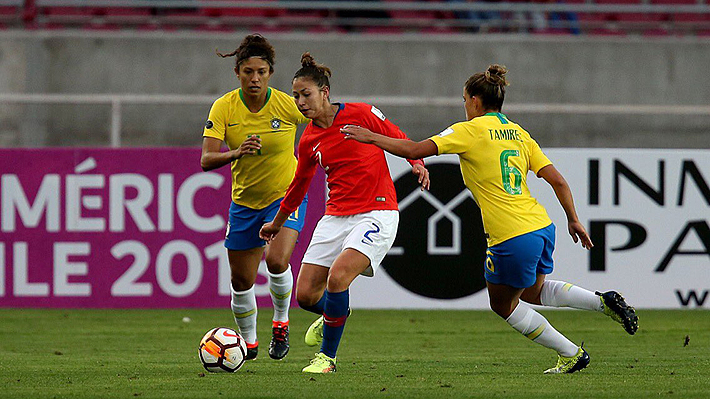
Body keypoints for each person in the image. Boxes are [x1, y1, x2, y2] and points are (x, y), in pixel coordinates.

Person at [341, 64, 638, 374]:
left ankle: (571, 353)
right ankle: (601, 302)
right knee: (533, 292)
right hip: (541, 225)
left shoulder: (468, 130)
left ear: (474, 101)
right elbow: (558, 180)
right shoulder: (518, 132)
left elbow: (416, 149)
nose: (465, 106)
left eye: (464, 100)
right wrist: (573, 219)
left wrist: (371, 137)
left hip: (510, 234)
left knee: (502, 305)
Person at [259, 52, 430, 374]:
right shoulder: (309, 139)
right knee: (307, 295)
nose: (300, 102)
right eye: (295, 96)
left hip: (377, 212)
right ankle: (335, 314)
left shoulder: (361, 114)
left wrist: (417, 163)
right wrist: (276, 224)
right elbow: (298, 186)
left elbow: (397, 136)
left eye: (305, 94)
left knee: (338, 278)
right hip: (335, 217)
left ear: (324, 92)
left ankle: (327, 359)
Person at [200, 34, 309, 361]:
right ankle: (248, 343)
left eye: (261, 71)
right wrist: (236, 152)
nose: (255, 78)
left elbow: (325, 120)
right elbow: (206, 159)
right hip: (245, 202)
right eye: (248, 71)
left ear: (270, 73)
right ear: (238, 72)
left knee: (276, 261)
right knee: (241, 280)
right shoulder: (224, 107)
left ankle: (280, 322)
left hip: (285, 197)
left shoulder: (288, 105)